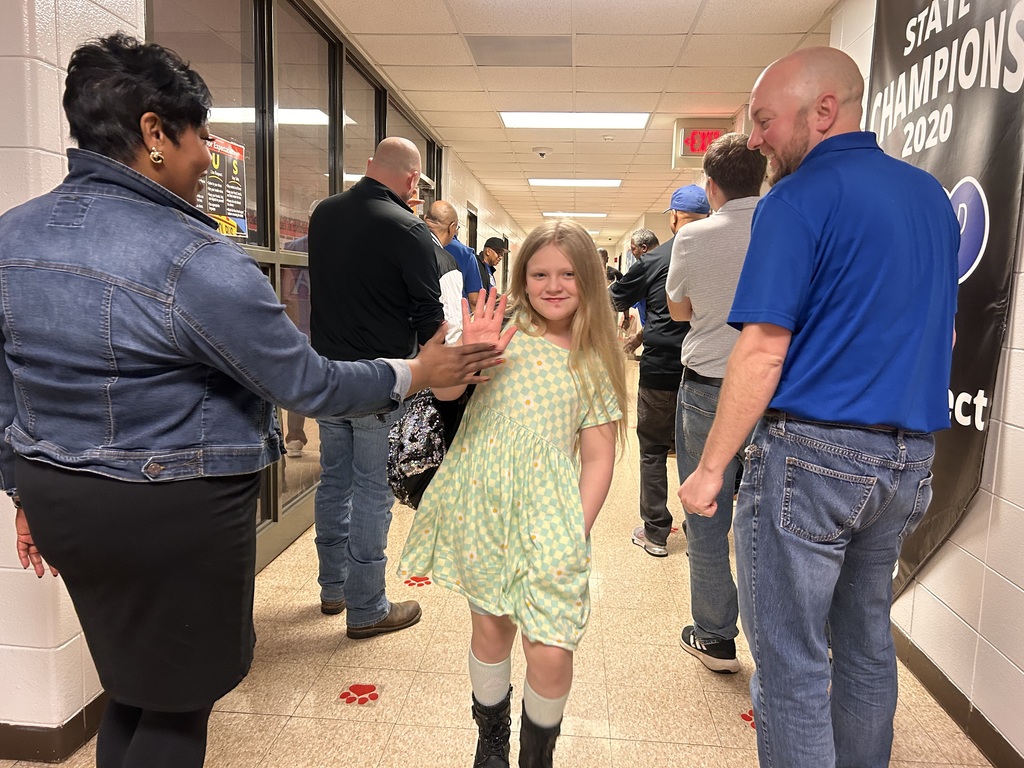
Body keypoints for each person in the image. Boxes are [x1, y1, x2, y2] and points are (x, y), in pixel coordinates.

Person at [4, 34, 505, 768]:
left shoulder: (12, 236)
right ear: (153, 133)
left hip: (60, 500)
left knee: (132, 687)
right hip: (172, 508)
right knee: (177, 706)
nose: (209, 155)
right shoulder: (193, 258)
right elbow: (308, 382)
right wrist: (417, 372)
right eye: (200, 135)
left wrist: (22, 486)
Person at [677, 47, 959, 768]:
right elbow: (941, 328)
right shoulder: (929, 197)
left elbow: (764, 350)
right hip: (907, 461)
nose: (758, 139)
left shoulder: (797, 200)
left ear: (824, 111)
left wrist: (711, 469)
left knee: (793, 662)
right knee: (865, 643)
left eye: (767, 121)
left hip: (814, 459)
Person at [400, 220, 628, 768]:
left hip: (551, 515)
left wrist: (577, 527)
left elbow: (598, 457)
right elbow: (448, 391)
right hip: (482, 500)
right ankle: (492, 739)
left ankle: (537, 755)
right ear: (523, 277)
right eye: (540, 272)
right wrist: (466, 355)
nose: (553, 285)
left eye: (569, 274)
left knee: (551, 644)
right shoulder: (502, 330)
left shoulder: (594, 356)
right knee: (491, 623)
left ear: (590, 280)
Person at [308, 137, 443, 636]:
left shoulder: (323, 214)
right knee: (371, 491)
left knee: (334, 482)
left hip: (327, 378)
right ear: (412, 182)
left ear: (368, 167)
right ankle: (368, 609)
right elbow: (429, 315)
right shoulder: (408, 228)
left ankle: (332, 589)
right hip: (380, 382)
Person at [665, 136, 766, 671]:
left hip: (708, 387)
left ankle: (715, 636)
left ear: (711, 185)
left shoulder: (694, 237)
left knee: (705, 512)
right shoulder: (787, 226)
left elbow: (678, 310)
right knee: (774, 518)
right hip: (777, 399)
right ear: (763, 177)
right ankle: (781, 644)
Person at [611, 196, 708, 558]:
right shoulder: (727, 253)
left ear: (674, 219)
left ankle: (655, 534)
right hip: (709, 373)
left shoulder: (654, 259)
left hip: (660, 370)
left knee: (652, 451)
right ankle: (701, 534)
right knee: (700, 455)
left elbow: (616, 299)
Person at [424, 200, 466, 342]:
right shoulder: (446, 263)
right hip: (424, 351)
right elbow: (451, 323)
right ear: (452, 227)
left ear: (425, 219)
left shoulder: (403, 246)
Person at [446, 234, 484, 306]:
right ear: (452, 226)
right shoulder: (466, 253)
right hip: (457, 312)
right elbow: (474, 299)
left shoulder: (421, 246)